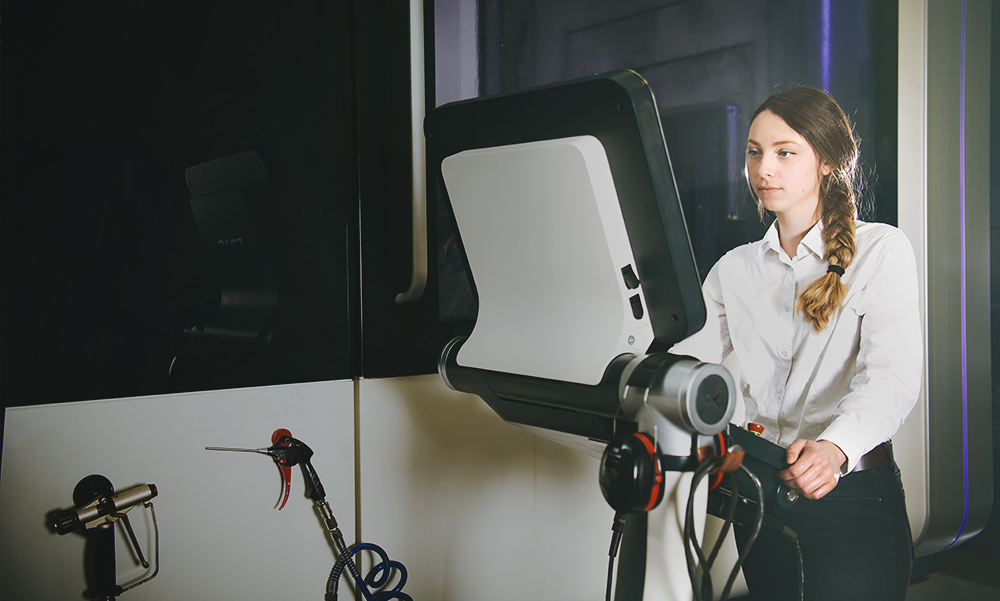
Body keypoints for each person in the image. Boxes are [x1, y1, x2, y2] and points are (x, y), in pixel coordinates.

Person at [671, 86, 921, 600]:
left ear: (827, 161)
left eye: (786, 153)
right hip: (761, 494)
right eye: (755, 151)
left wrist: (834, 449)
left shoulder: (882, 250)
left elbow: (891, 379)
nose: (765, 168)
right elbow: (688, 365)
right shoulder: (733, 269)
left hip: (850, 496)